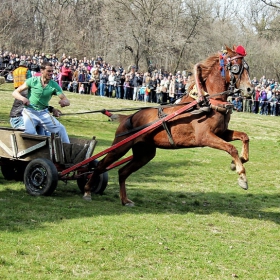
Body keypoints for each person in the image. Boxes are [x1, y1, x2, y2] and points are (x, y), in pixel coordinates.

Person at [12, 61, 70, 143]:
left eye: (52, 71)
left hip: (43, 113)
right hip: (30, 112)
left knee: (61, 128)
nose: (51, 73)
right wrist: (23, 99)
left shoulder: (54, 85)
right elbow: (15, 92)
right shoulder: (32, 81)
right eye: (49, 71)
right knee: (30, 133)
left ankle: (68, 152)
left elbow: (65, 99)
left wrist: (64, 102)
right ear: (42, 71)